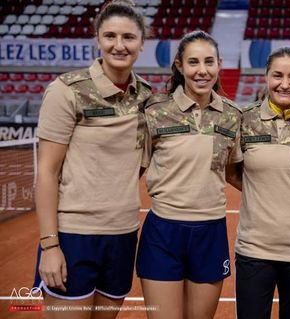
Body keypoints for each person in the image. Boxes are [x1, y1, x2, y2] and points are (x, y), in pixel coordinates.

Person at [33, 1, 151, 318]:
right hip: (73, 236)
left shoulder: (147, 97)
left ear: (142, 42)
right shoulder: (66, 91)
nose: (119, 45)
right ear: (97, 39)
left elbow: (138, 163)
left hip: (123, 234)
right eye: (110, 36)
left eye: (128, 37)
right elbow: (46, 172)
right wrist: (50, 246)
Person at [136, 30, 242, 319]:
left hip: (210, 231)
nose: (202, 70)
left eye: (209, 62)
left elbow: (234, 172)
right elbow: (135, 168)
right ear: (179, 66)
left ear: (219, 64)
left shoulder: (232, 115)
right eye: (193, 62)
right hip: (163, 231)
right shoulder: (155, 111)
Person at [226, 46, 290, 319]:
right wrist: (261, 189)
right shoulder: (244, 119)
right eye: (277, 76)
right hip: (254, 249)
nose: (285, 84)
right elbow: (232, 171)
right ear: (266, 77)